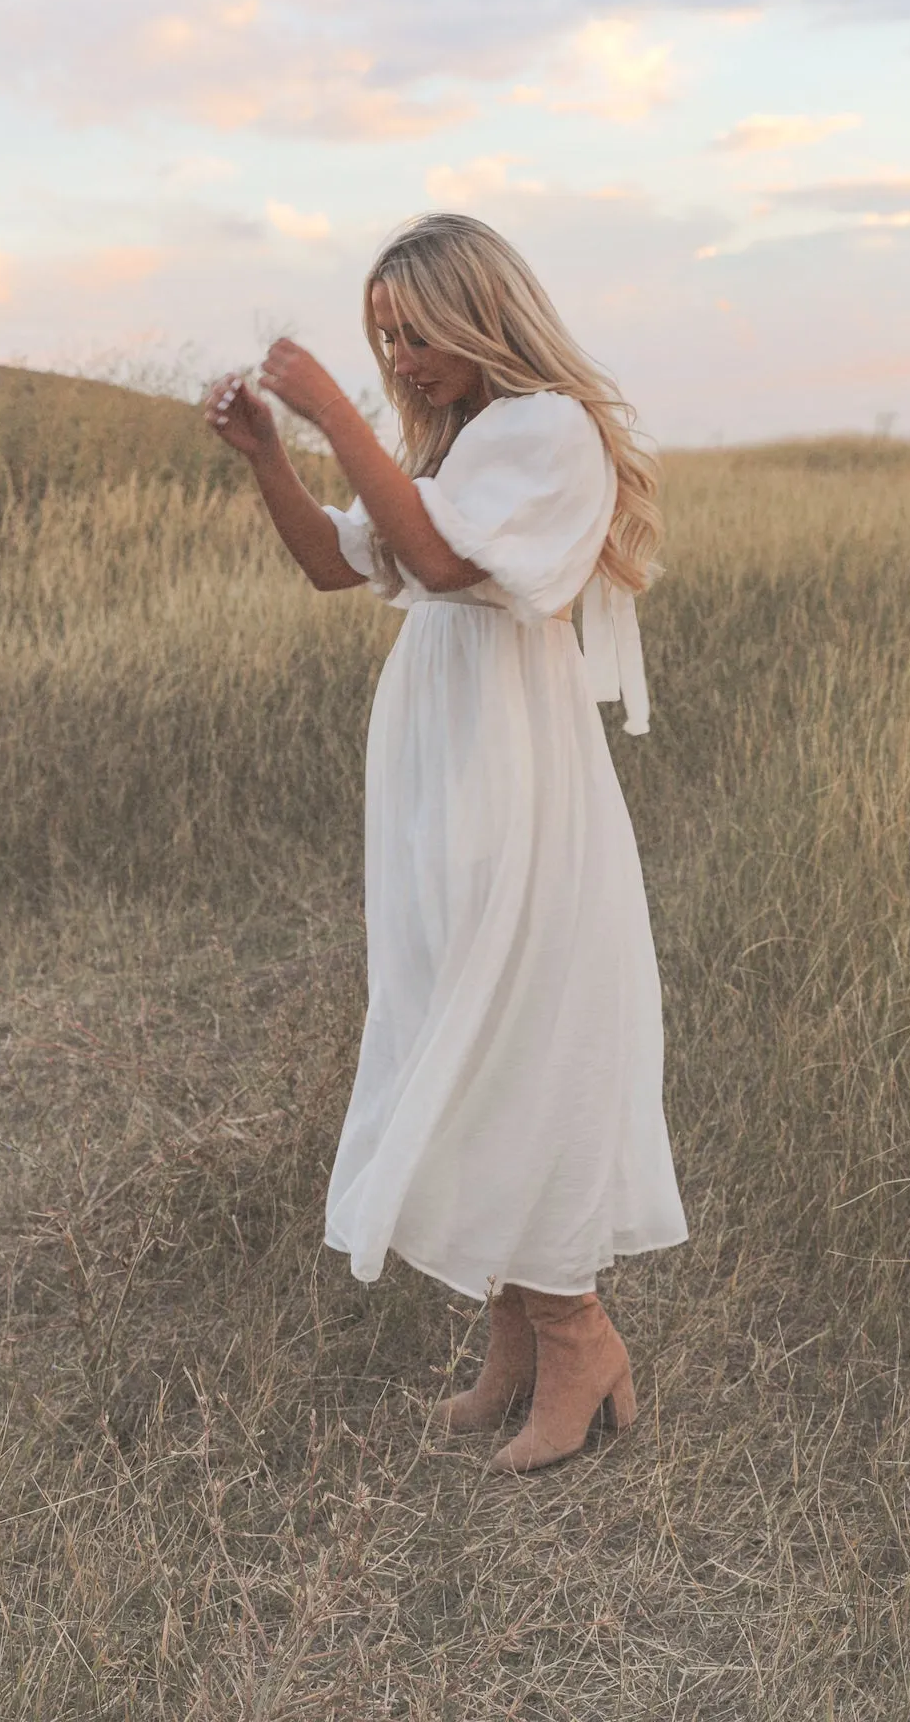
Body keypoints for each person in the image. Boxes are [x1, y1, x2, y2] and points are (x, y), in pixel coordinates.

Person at [204, 213, 686, 1475]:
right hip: (438, 766)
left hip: (509, 770)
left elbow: (428, 552)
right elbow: (333, 563)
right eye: (380, 340)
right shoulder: (467, 444)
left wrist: (329, 411)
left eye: (412, 333)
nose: (398, 359)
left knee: (508, 1031)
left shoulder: (547, 432)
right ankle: (516, 1343)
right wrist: (270, 454)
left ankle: (583, 1344)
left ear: (480, 315)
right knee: (446, 1025)